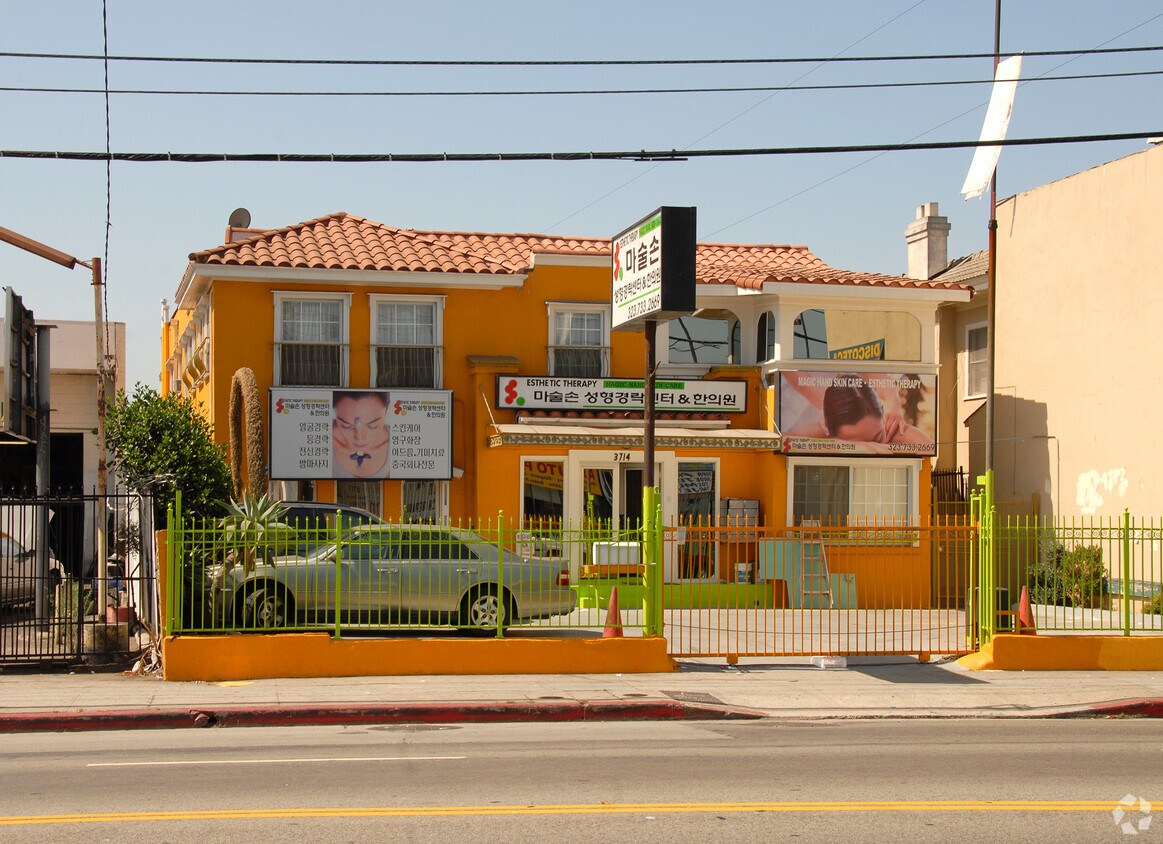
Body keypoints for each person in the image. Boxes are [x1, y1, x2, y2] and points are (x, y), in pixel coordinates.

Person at [331, 391, 390, 478]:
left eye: (372, 425)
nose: (359, 438)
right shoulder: (320, 437)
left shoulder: (398, 443)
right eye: (346, 425)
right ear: (334, 410)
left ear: (387, 408)